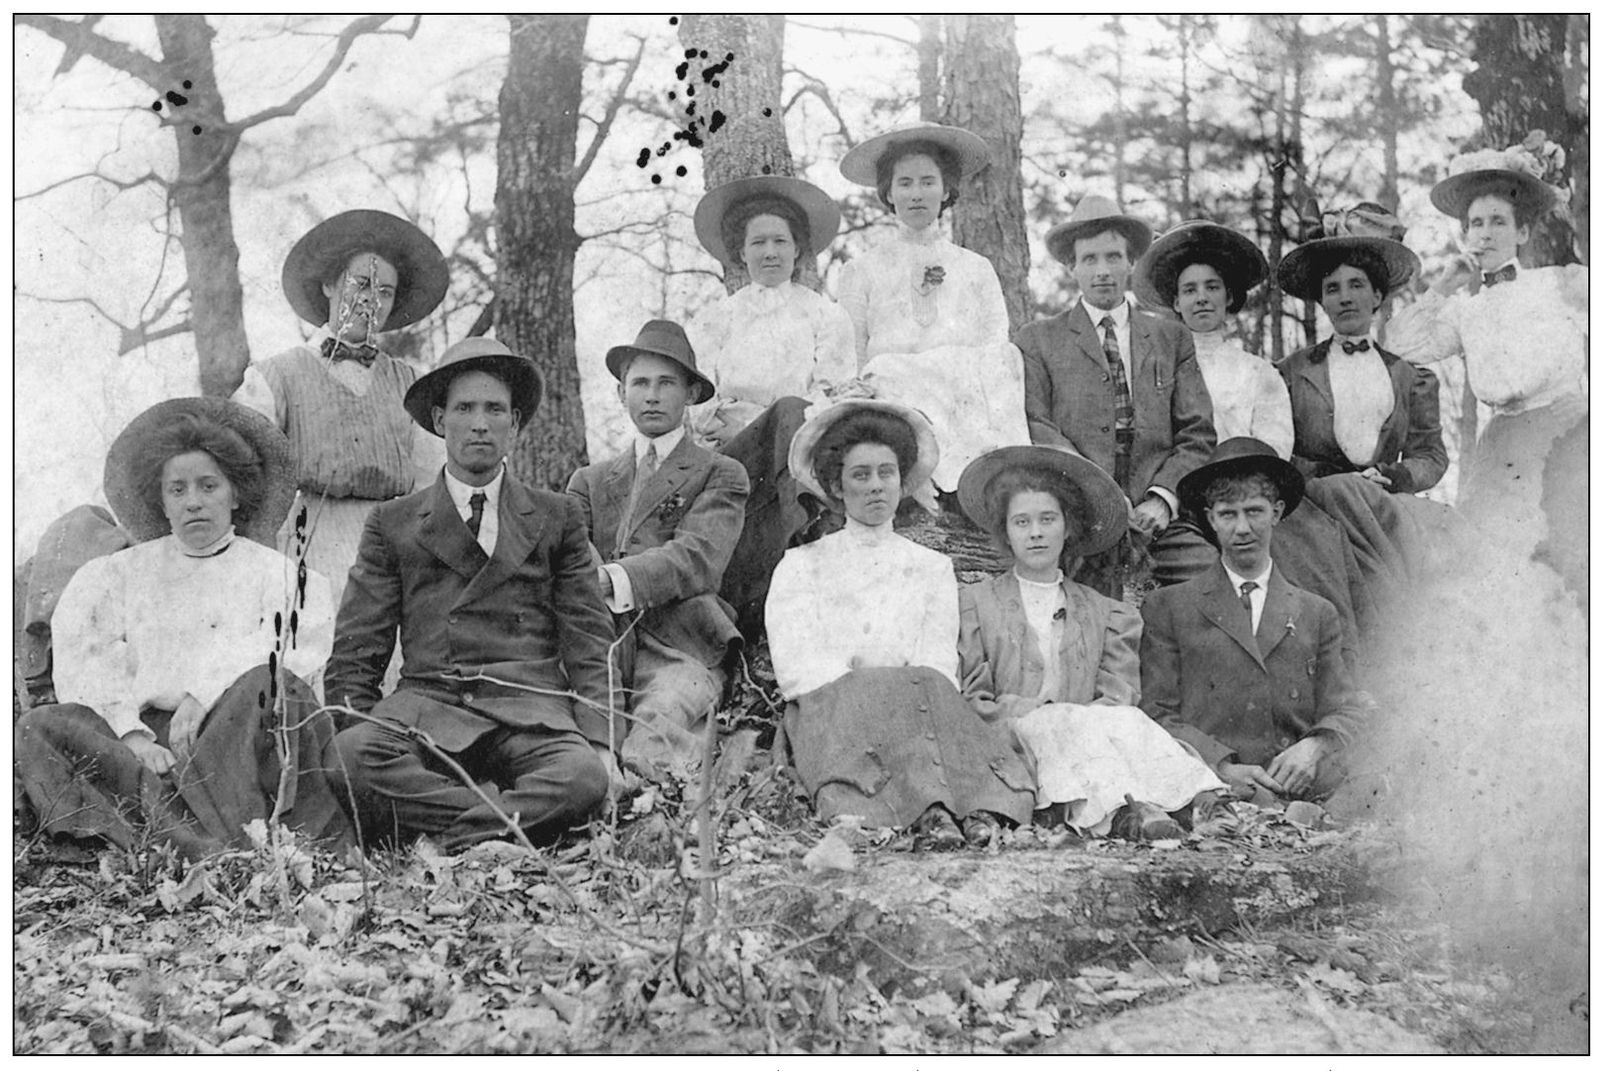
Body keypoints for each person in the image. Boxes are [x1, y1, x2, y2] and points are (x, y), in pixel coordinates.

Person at [14, 398, 347, 860]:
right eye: (178, 490)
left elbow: (289, 648)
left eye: (208, 486)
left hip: (232, 736)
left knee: (267, 686)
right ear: (162, 502)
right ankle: (175, 833)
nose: (193, 501)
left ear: (235, 494)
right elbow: (89, 657)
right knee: (40, 725)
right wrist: (132, 735)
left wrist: (202, 694)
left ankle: (184, 837)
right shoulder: (117, 573)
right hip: (142, 746)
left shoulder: (279, 575)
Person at [326, 339, 620, 851]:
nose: (479, 423)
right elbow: (358, 648)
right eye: (464, 409)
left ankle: (443, 834)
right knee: (349, 757)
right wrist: (350, 735)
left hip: (530, 712)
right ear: (440, 421)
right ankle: (508, 823)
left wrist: (602, 743)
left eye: (494, 409)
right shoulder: (392, 523)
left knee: (583, 779)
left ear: (516, 423)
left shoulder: (558, 517)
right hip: (429, 708)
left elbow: (589, 640)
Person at [766, 399, 1034, 849]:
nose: (876, 487)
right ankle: (925, 813)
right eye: (860, 475)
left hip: (917, 701)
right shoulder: (800, 566)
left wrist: (902, 682)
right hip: (833, 707)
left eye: (886, 473)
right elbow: (797, 665)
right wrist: (865, 684)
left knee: (931, 694)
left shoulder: (930, 566)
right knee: (881, 707)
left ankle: (970, 810)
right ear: (837, 485)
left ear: (901, 481)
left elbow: (936, 659)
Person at [956, 446, 1226, 839]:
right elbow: (974, 699)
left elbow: (1118, 696)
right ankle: (1130, 810)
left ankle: (1204, 802)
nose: (1035, 533)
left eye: (1048, 519)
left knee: (1126, 718)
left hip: (1089, 737)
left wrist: (1080, 718)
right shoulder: (975, 604)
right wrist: (1044, 712)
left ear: (1067, 527)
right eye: (1021, 522)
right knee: (1061, 720)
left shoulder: (1106, 612)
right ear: (1006, 532)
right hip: (1011, 738)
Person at [1134, 219, 1368, 655]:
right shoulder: (1155, 370)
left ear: (1229, 297)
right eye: (1189, 290)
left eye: (1212, 287)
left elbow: (1276, 444)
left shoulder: (1257, 371)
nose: (1201, 297)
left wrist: (1242, 485)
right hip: (1186, 500)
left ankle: (1335, 665)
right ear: (1176, 302)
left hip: (1248, 490)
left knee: (1310, 549)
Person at [233, 209, 450, 606]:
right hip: (308, 542)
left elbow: (432, 483)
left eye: (385, 292)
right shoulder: (275, 376)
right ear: (330, 285)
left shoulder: (411, 384)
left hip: (392, 545)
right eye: (361, 283)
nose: (371, 300)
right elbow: (248, 476)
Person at [1385, 140, 1587, 560]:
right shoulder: (1465, 312)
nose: (1486, 233)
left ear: (1523, 232)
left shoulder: (1561, 284)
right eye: (1476, 224)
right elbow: (1400, 346)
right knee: (1492, 563)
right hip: (1501, 448)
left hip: (1566, 435)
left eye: (1498, 221)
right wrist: (1442, 287)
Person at [566, 320, 749, 779]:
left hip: (680, 645)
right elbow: (569, 557)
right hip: (598, 645)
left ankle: (662, 806)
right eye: (640, 383)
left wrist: (611, 577)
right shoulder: (587, 482)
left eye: (667, 383)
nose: (651, 395)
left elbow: (697, 558)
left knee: (655, 733)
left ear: (689, 394)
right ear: (620, 394)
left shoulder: (720, 473)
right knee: (571, 744)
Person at [1141, 439, 1367, 803]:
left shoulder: (1316, 612)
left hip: (1298, 787)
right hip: (1209, 783)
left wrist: (1314, 747)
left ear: (1277, 513)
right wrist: (1221, 765)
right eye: (1228, 514)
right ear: (1211, 519)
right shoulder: (1168, 607)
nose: (1243, 528)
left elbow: (1344, 706)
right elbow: (1156, 712)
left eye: (1255, 511)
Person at [1017, 193, 1217, 598]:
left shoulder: (1170, 336)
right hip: (1080, 514)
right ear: (1071, 267)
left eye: (1113, 257)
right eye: (1089, 259)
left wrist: (1162, 501)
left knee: (1212, 584)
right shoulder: (1038, 340)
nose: (1103, 271)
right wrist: (1098, 494)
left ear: (1131, 262)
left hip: (1158, 518)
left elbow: (1198, 433)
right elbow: (1036, 425)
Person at [685, 176, 855, 630]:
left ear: (799, 249)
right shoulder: (717, 319)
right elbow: (699, 401)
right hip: (736, 451)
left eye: (781, 241)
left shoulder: (825, 316)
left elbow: (834, 393)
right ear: (740, 252)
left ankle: (795, 562)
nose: (770, 252)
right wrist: (734, 417)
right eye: (757, 242)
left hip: (802, 445)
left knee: (791, 412)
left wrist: (774, 415)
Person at [835, 123, 1031, 503]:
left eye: (928, 182)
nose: (916, 194)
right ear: (888, 193)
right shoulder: (861, 269)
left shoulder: (975, 266)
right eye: (904, 183)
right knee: (886, 369)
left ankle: (998, 480)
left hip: (965, 390)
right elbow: (852, 350)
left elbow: (995, 342)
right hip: (897, 391)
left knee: (1006, 358)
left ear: (946, 190)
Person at [1274, 205, 1452, 607]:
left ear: (1377, 296)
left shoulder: (1411, 376)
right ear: (1321, 301)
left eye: (1356, 285)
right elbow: (1277, 449)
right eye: (1332, 288)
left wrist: (1395, 476)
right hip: (1314, 514)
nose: (1345, 297)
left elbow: (1431, 455)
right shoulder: (1289, 373)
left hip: (1386, 509)